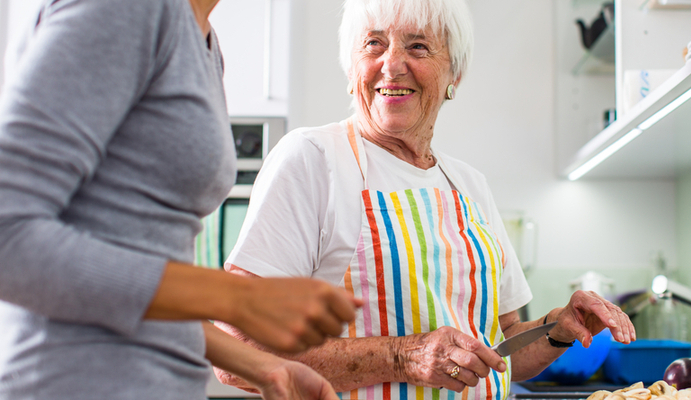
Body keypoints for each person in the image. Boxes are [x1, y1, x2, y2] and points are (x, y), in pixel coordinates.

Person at [215, 0, 636, 398]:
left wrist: (556, 328)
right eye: (374, 44)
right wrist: (403, 357)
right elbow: (236, 349)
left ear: (454, 74)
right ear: (351, 68)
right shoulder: (313, 159)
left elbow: (500, 345)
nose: (393, 65)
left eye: (418, 46)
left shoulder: (468, 184)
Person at [0, 0, 360, 399]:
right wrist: (240, 298)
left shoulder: (202, 38)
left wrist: (266, 367)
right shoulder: (125, 9)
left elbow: (141, 286)